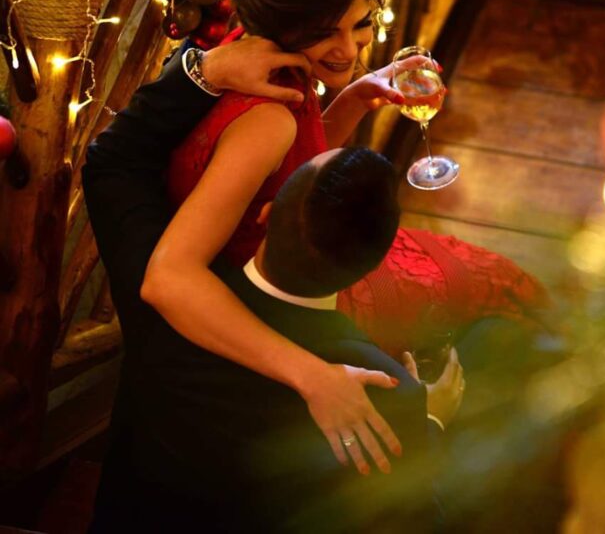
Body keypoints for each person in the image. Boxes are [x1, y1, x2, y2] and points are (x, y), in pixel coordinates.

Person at [83, 49, 463, 532]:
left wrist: (208, 69)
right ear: (367, 269)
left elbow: (110, 163)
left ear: (264, 214)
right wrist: (430, 423)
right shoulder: (385, 390)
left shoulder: (163, 291)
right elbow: (411, 521)